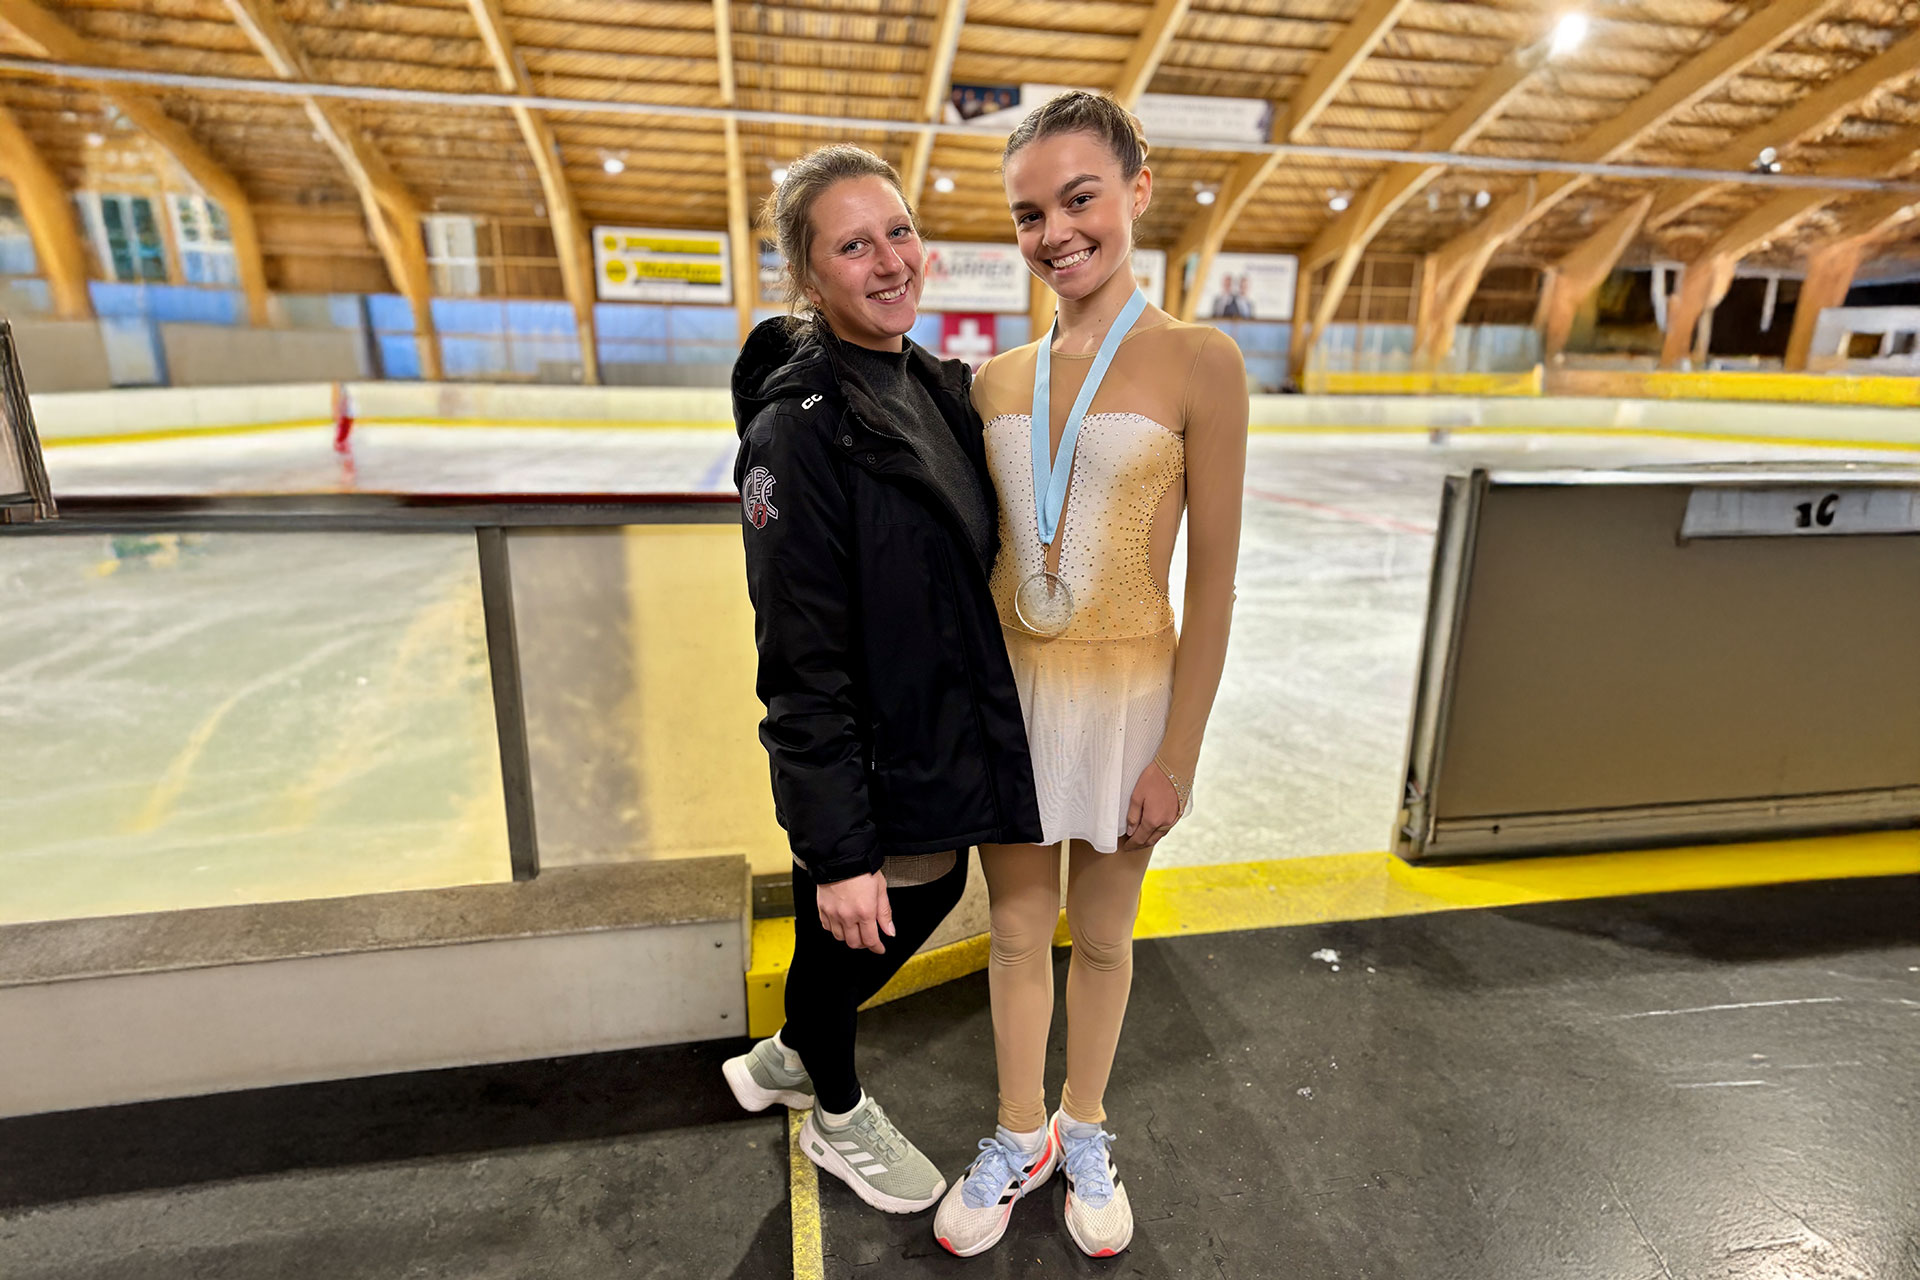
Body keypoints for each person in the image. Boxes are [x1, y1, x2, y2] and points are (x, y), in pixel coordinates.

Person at [933, 91, 1248, 1258]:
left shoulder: (1201, 361)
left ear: (1137, 190)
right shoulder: (991, 382)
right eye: (1030, 214)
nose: (1055, 232)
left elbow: (1214, 584)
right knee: (1018, 934)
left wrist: (1180, 754)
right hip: (1012, 698)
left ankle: (1085, 1121)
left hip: (1130, 701)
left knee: (1103, 937)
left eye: (1079, 199)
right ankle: (1021, 1132)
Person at [723, 145, 1044, 1215]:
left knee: (933, 886)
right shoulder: (795, 432)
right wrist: (839, 849)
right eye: (855, 245)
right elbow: (798, 660)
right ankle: (832, 1104)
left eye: (899, 231)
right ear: (809, 278)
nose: (891, 260)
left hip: (929, 723)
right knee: (867, 911)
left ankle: (787, 1054)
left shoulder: (928, 386)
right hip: (866, 745)